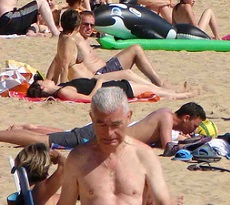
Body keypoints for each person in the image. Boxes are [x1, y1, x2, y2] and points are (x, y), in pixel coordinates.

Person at [58, 88, 176, 205]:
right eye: (101, 124)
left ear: (128, 117)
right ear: (92, 118)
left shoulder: (144, 155)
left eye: (116, 124)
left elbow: (163, 202)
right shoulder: (78, 158)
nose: (109, 133)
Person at [0, 103, 206, 152]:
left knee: (66, 136)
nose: (193, 130)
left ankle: (29, 127)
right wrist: (193, 143)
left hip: (102, 133)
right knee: (46, 143)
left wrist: (188, 140)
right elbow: (168, 147)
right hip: (100, 136)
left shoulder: (166, 117)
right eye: (194, 125)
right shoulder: (166, 116)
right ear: (186, 117)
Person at [47, 9, 166, 87]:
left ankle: (157, 83)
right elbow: (60, 59)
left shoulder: (80, 39)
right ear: (78, 25)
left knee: (136, 48)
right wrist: (54, 84)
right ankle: (159, 86)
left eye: (92, 25)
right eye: (85, 24)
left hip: (106, 68)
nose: (89, 28)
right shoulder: (72, 37)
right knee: (131, 63)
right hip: (99, 74)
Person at [26, 73, 192, 102]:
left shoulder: (61, 87)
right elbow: (90, 98)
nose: (46, 79)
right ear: (42, 88)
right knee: (153, 91)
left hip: (107, 84)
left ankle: (174, 92)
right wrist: (98, 83)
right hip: (110, 89)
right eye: (43, 82)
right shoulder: (63, 91)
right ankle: (180, 95)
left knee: (137, 81)